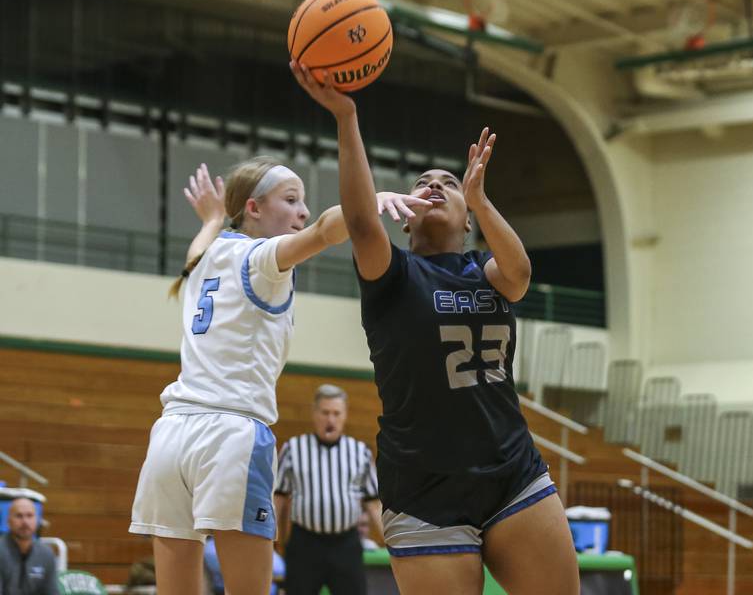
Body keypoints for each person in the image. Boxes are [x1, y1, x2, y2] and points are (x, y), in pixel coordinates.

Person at [291, 61, 580, 595]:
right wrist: (347, 116)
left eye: (448, 183)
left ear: (468, 219)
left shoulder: (486, 273)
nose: (434, 186)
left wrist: (482, 198)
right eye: (422, 184)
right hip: (424, 492)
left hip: (510, 472)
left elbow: (520, 274)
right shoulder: (394, 276)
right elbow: (358, 222)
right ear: (405, 215)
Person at [129, 159, 429, 595]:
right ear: (253, 208)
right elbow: (326, 230)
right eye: (291, 200)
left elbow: (195, 249)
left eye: (303, 201)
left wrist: (212, 218)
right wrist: (366, 206)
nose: (302, 211)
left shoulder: (206, 258)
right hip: (228, 436)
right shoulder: (260, 258)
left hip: (170, 436)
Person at [273, 384, 382, 595]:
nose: (330, 419)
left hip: (346, 545)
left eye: (336, 413)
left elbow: (373, 503)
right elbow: (279, 500)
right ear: (315, 414)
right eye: (325, 412)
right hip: (305, 544)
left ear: (344, 416)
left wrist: (392, 543)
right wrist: (270, 543)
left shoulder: (360, 452)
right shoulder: (294, 449)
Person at [0, 498, 59, 595]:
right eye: (19, 516)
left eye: (29, 515)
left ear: (37, 520)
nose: (25, 521)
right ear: (8, 521)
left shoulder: (46, 554)